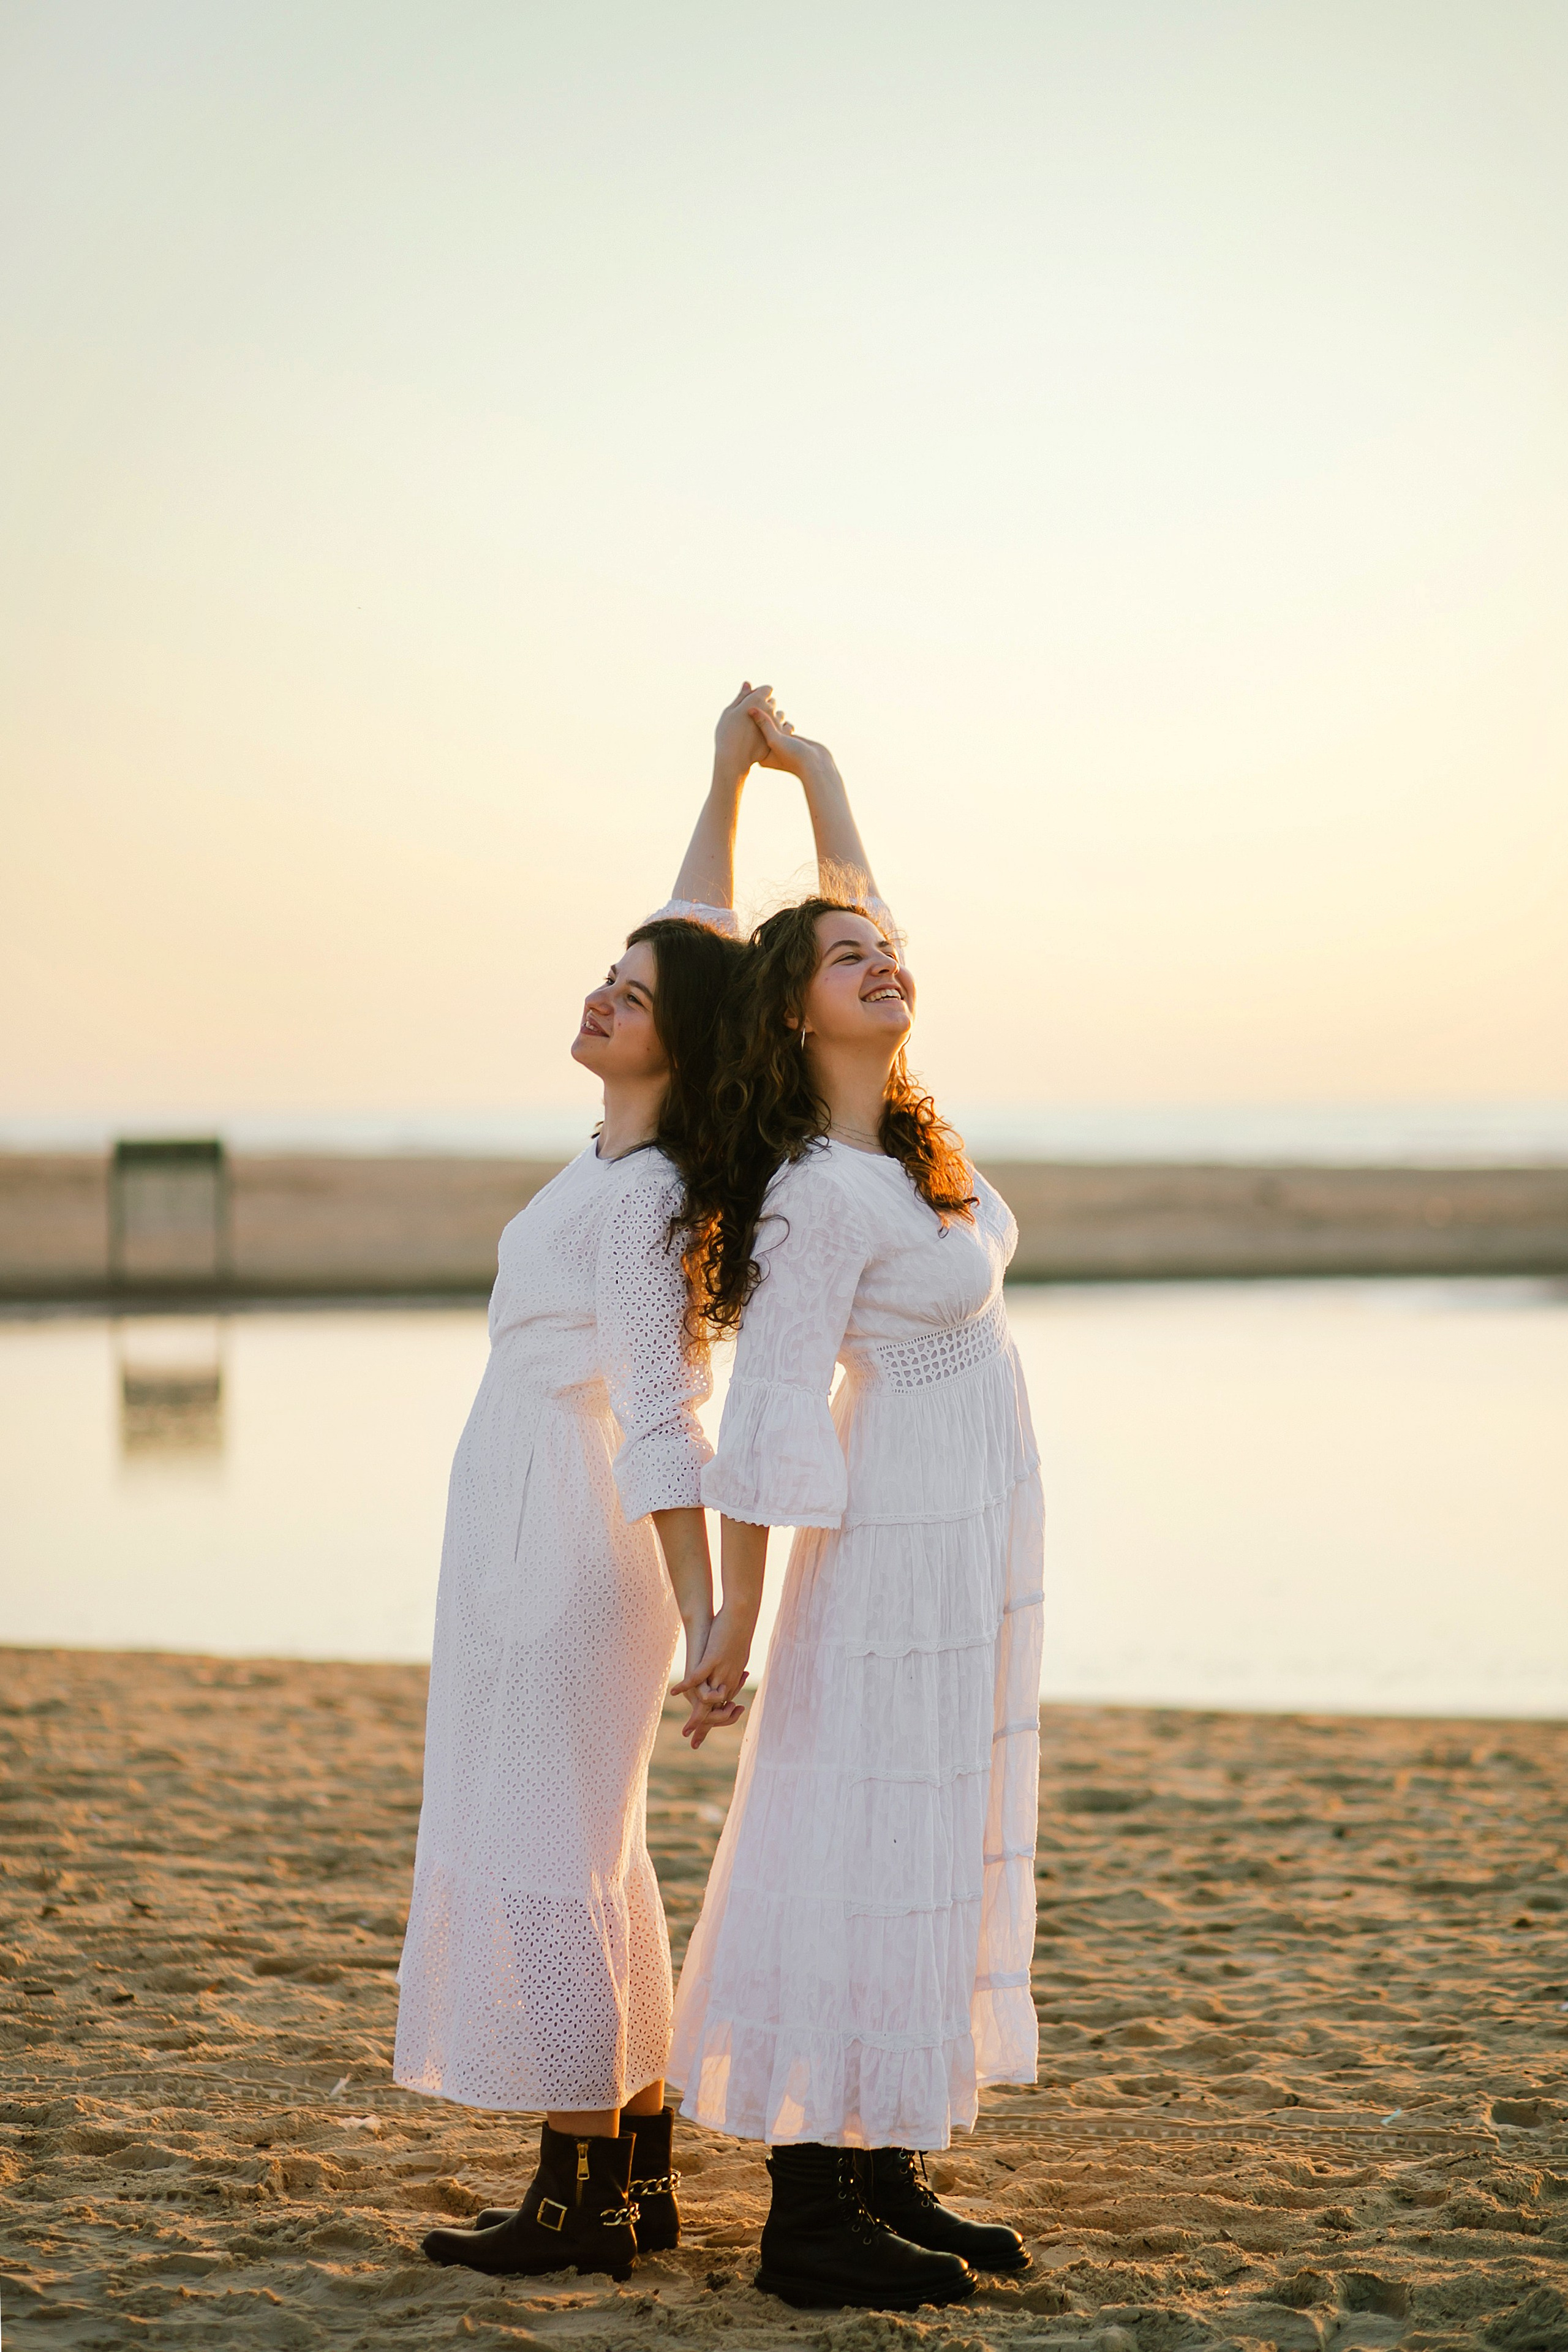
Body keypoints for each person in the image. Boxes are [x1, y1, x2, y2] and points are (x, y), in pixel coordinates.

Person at [668, 698, 1045, 2313]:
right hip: (884, 1552)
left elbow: (859, 911)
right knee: (854, 1831)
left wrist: (818, 778)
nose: (883, 964)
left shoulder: (896, 1146)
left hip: (960, 1542)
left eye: (885, 951)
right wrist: (737, 1622)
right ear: (793, 1017)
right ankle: (808, 2213)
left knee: (926, 1831)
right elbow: (762, 1413)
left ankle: (885, 2153)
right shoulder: (821, 1197)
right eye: (846, 962)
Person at [394, 685, 771, 2282]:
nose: (606, 996)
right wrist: (724, 776)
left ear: (684, 1043)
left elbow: (668, 1413)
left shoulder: (645, 1200)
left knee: (550, 1847)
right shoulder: (619, 1158)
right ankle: (635, 2173)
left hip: (565, 1544)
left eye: (634, 994)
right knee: (596, 1848)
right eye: (607, 977)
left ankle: (574, 2200)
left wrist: (708, 1611)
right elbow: (702, 926)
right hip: (536, 1526)